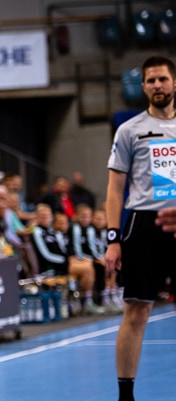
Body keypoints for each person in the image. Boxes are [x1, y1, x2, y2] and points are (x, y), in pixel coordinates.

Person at [104, 55, 176, 401]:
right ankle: (126, 395)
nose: (157, 85)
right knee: (137, 310)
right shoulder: (129, 130)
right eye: (151, 81)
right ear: (144, 87)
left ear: (174, 83)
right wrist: (113, 239)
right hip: (144, 225)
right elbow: (114, 190)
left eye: (162, 79)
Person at [31, 204, 103, 315]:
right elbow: (45, 255)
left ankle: (86, 301)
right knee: (87, 269)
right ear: (37, 217)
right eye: (43, 216)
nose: (46, 218)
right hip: (51, 266)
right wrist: (66, 260)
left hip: (62, 263)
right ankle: (86, 302)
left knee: (88, 265)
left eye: (48, 216)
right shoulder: (37, 231)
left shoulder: (51, 231)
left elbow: (62, 250)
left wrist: (70, 259)